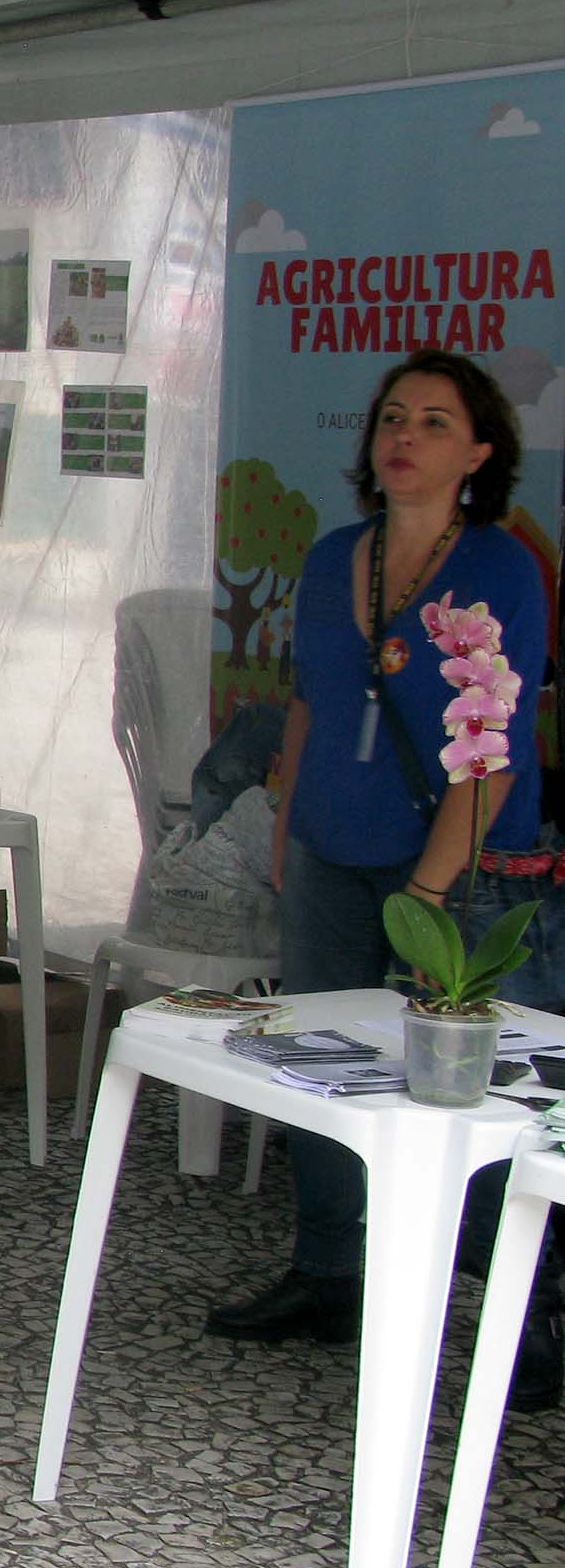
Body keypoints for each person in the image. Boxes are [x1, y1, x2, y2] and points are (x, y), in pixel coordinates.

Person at [206, 350, 559, 1404]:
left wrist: (436, 888)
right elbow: (308, 700)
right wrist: (287, 829)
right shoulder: (332, 556)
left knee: (476, 1100)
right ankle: (330, 1272)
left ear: (480, 451)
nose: (404, 436)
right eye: (393, 417)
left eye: (435, 422)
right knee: (320, 1068)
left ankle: (526, 1310)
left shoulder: (498, 565)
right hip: (330, 850)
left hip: (456, 870)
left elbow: (488, 744)